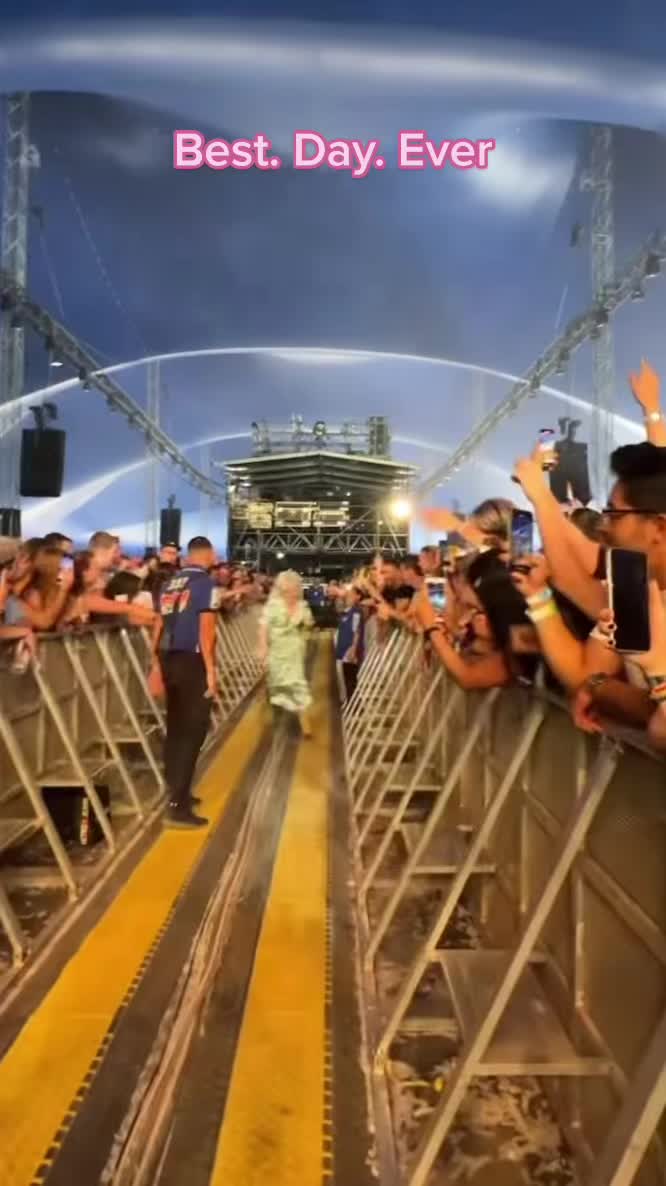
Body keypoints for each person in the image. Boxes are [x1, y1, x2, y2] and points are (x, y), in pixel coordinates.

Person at [153, 536, 220, 829]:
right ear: (208, 554)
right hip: (193, 661)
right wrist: (211, 670)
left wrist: (154, 662)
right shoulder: (207, 584)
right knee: (192, 732)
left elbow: (158, 623)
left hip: (168, 659)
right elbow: (207, 630)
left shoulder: (170, 583)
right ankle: (178, 806)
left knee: (176, 726)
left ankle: (176, 791)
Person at [257, 570, 313, 736]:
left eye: (296, 587)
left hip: (295, 651)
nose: (294, 591)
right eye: (291, 588)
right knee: (277, 683)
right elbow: (263, 628)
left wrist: (305, 630)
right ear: (284, 588)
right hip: (277, 650)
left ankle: (305, 722)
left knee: (297, 683)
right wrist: (263, 647)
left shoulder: (303, 606)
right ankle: (273, 707)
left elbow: (308, 625)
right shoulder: (273, 606)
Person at [335, 585, 365, 703]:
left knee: (350, 679)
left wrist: (353, 649)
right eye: (348, 595)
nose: (349, 597)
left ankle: (354, 704)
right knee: (346, 678)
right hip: (343, 651)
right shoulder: (347, 611)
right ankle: (351, 702)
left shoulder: (356, 612)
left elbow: (357, 630)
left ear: (358, 596)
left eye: (352, 595)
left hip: (350, 652)